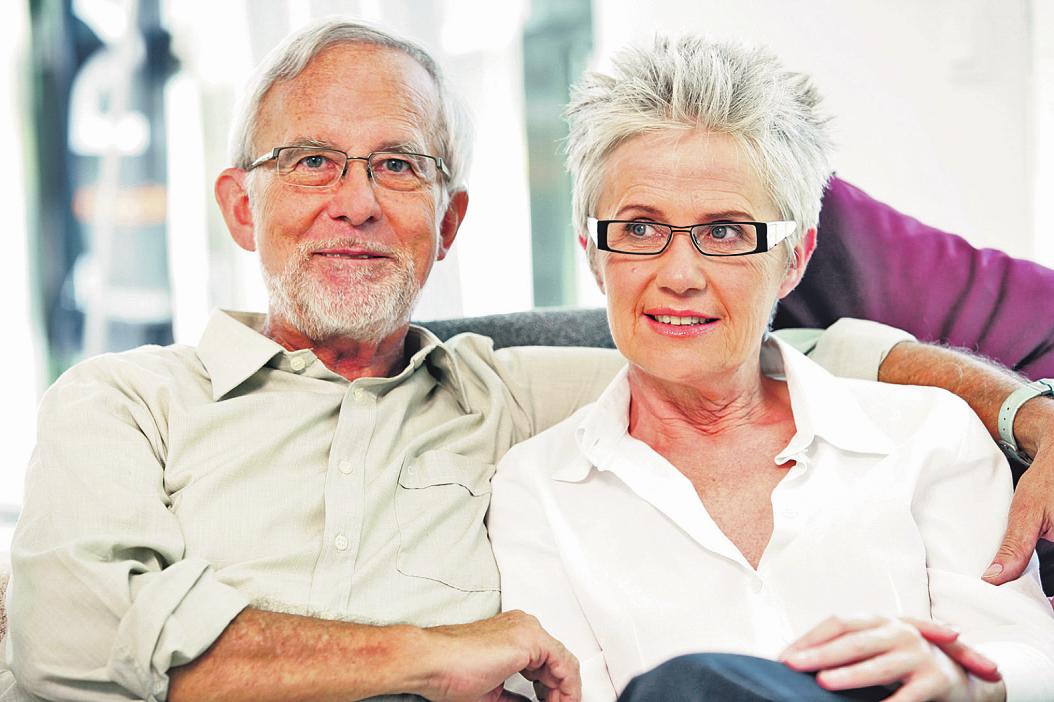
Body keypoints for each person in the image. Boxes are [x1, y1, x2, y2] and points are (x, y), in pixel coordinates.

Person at [2, 18, 1051, 702]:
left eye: (399, 165)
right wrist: (425, 654)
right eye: (312, 161)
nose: (356, 202)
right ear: (241, 205)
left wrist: (1029, 413)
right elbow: (68, 640)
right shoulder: (125, 402)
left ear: (449, 222)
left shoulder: (506, 393)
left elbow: (790, 353)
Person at [488, 36, 1054, 702]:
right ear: (593, 254)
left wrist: (963, 677)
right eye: (639, 229)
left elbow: (1030, 654)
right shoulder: (535, 487)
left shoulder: (930, 433)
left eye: (724, 232)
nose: (679, 275)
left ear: (795, 258)